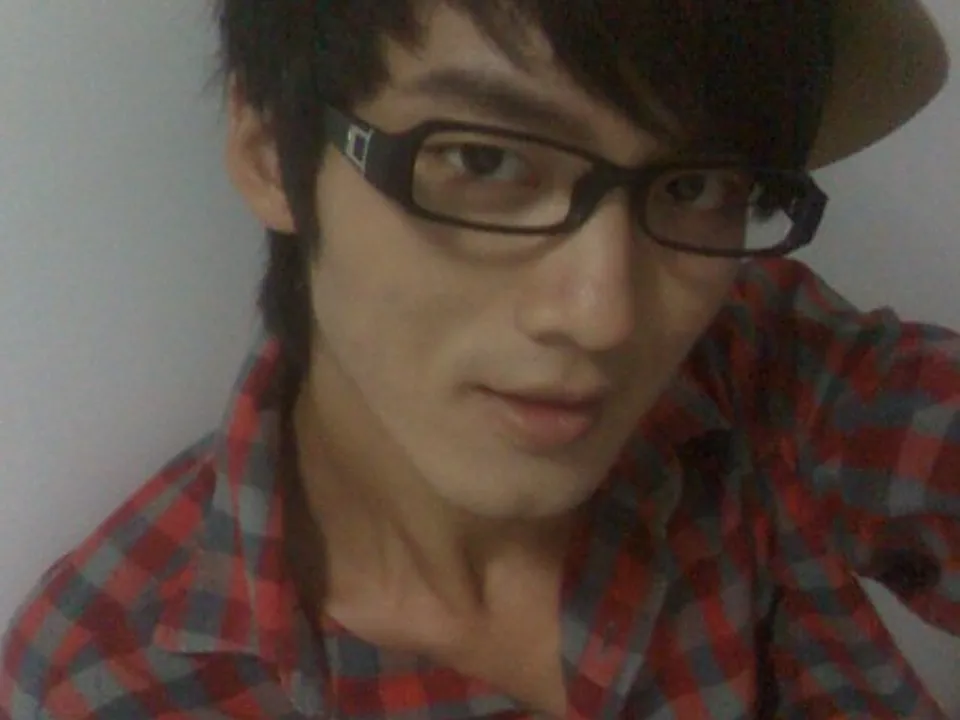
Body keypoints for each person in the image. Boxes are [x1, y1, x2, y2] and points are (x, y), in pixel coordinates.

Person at [1, 0, 957, 717]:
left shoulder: (751, 363)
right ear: (271, 154)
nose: (604, 316)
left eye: (697, 184)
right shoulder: (113, 684)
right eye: (486, 160)